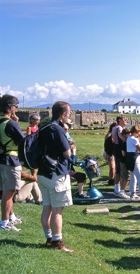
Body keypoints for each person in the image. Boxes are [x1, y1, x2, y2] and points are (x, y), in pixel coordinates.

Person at [37, 101, 74, 252]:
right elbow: (67, 154)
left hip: (43, 172)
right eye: (68, 113)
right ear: (62, 114)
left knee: (47, 207)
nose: (69, 116)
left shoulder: (44, 126)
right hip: (56, 173)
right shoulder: (58, 130)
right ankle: (58, 243)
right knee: (57, 210)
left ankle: (49, 238)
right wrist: (70, 143)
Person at [0, 95, 25, 231]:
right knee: (8, 193)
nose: (16, 108)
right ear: (11, 107)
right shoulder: (11, 123)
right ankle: (4, 222)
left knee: (7, 191)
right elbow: (23, 142)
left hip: (1, 158)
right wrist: (17, 123)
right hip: (10, 159)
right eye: (16, 106)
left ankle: (11, 217)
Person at [112, 115, 129, 199]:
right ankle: (118, 189)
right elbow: (120, 136)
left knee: (117, 170)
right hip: (119, 149)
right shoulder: (119, 128)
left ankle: (116, 188)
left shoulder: (114, 128)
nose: (125, 120)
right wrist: (127, 140)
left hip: (115, 148)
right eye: (124, 119)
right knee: (120, 169)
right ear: (119, 120)